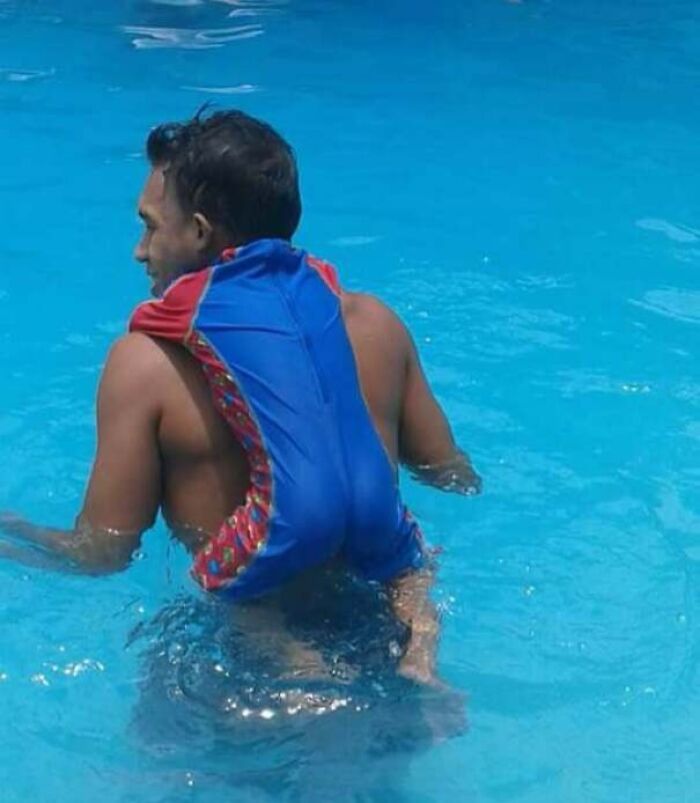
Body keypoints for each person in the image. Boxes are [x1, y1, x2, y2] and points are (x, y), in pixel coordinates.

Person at [0, 109, 480, 688]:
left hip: (237, 664)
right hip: (378, 634)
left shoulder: (146, 365)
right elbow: (453, 478)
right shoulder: (376, 326)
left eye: (151, 226)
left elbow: (101, 554)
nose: (139, 250)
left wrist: (14, 531)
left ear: (200, 232)